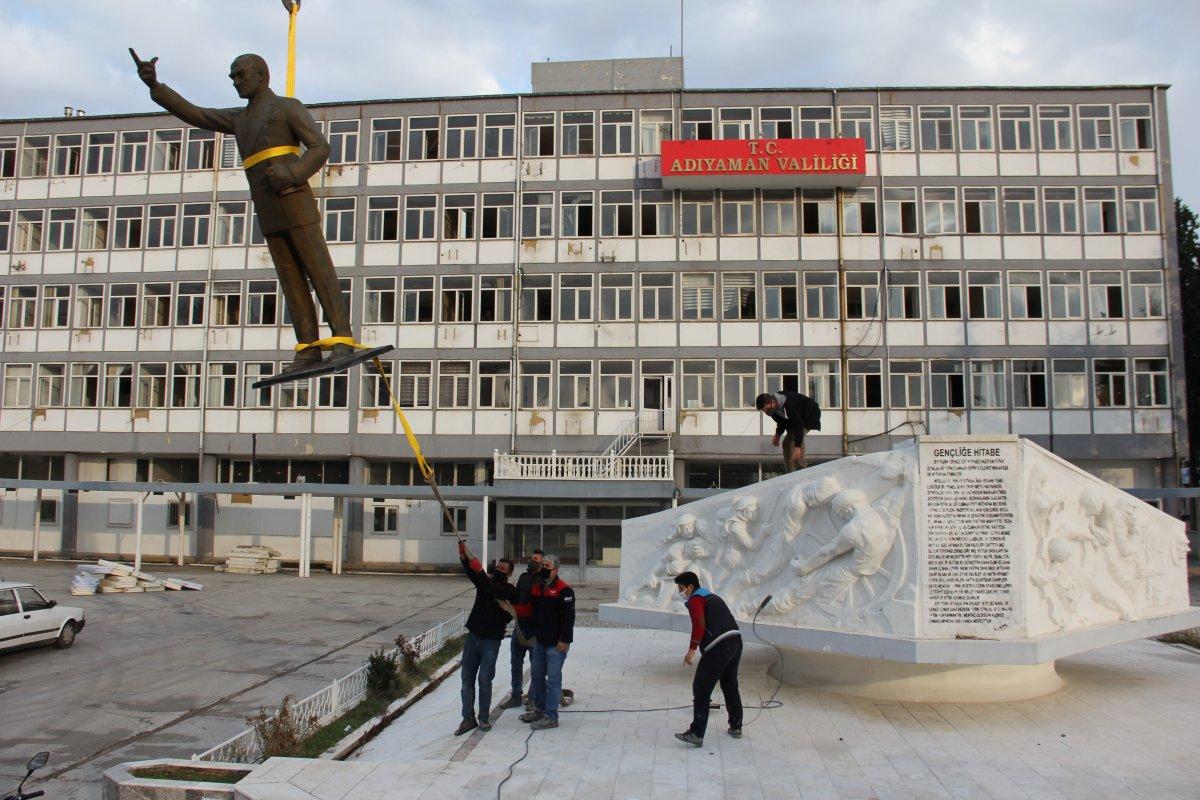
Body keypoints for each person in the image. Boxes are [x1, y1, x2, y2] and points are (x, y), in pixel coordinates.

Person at [129, 49, 353, 375]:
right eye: (232, 76)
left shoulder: (287, 107)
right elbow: (195, 113)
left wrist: (292, 173)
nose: (235, 81)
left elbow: (320, 147)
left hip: (292, 197)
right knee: (290, 279)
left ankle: (342, 338)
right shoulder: (239, 118)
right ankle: (308, 348)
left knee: (318, 270)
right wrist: (156, 87)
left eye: (240, 75)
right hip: (267, 205)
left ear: (261, 75)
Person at [500, 554, 574, 731]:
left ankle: (551, 716)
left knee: (553, 680)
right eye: (543, 566)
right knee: (537, 677)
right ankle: (540, 710)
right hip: (539, 642)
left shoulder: (564, 590)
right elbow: (530, 610)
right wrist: (511, 608)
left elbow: (568, 618)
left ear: (555, 569)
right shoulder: (537, 588)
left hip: (556, 644)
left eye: (547, 566)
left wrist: (565, 640)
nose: (543, 569)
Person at [673, 571, 743, 746]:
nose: (680, 592)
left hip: (719, 646)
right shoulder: (711, 596)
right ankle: (736, 726)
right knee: (730, 684)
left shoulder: (696, 599)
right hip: (735, 641)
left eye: (681, 588)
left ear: (690, 587)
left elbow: (699, 624)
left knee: (701, 687)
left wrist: (692, 649)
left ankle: (697, 733)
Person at [454, 541, 517, 735]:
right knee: (466, 681)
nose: (498, 569)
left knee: (484, 680)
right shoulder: (485, 582)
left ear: (509, 574)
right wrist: (465, 557)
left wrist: (480, 571)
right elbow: (474, 574)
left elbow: (492, 591)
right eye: (497, 566)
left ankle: (483, 718)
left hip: (491, 641)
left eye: (502, 569)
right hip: (473, 637)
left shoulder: (509, 591)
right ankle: (467, 718)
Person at [501, 548, 543, 711]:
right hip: (520, 628)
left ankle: (533, 698)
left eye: (537, 558)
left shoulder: (543, 579)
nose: (533, 560)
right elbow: (517, 597)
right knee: (515, 663)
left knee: (536, 666)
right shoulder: (524, 577)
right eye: (532, 557)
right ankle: (516, 696)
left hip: (535, 631)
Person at [756, 391, 821, 472]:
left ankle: (801, 470)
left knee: (793, 440)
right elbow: (781, 422)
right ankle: (790, 473)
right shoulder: (772, 410)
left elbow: (799, 425)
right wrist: (777, 435)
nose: (766, 411)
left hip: (810, 414)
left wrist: (797, 446)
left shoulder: (789, 404)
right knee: (786, 443)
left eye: (766, 409)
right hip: (795, 420)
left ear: (772, 402)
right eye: (763, 410)